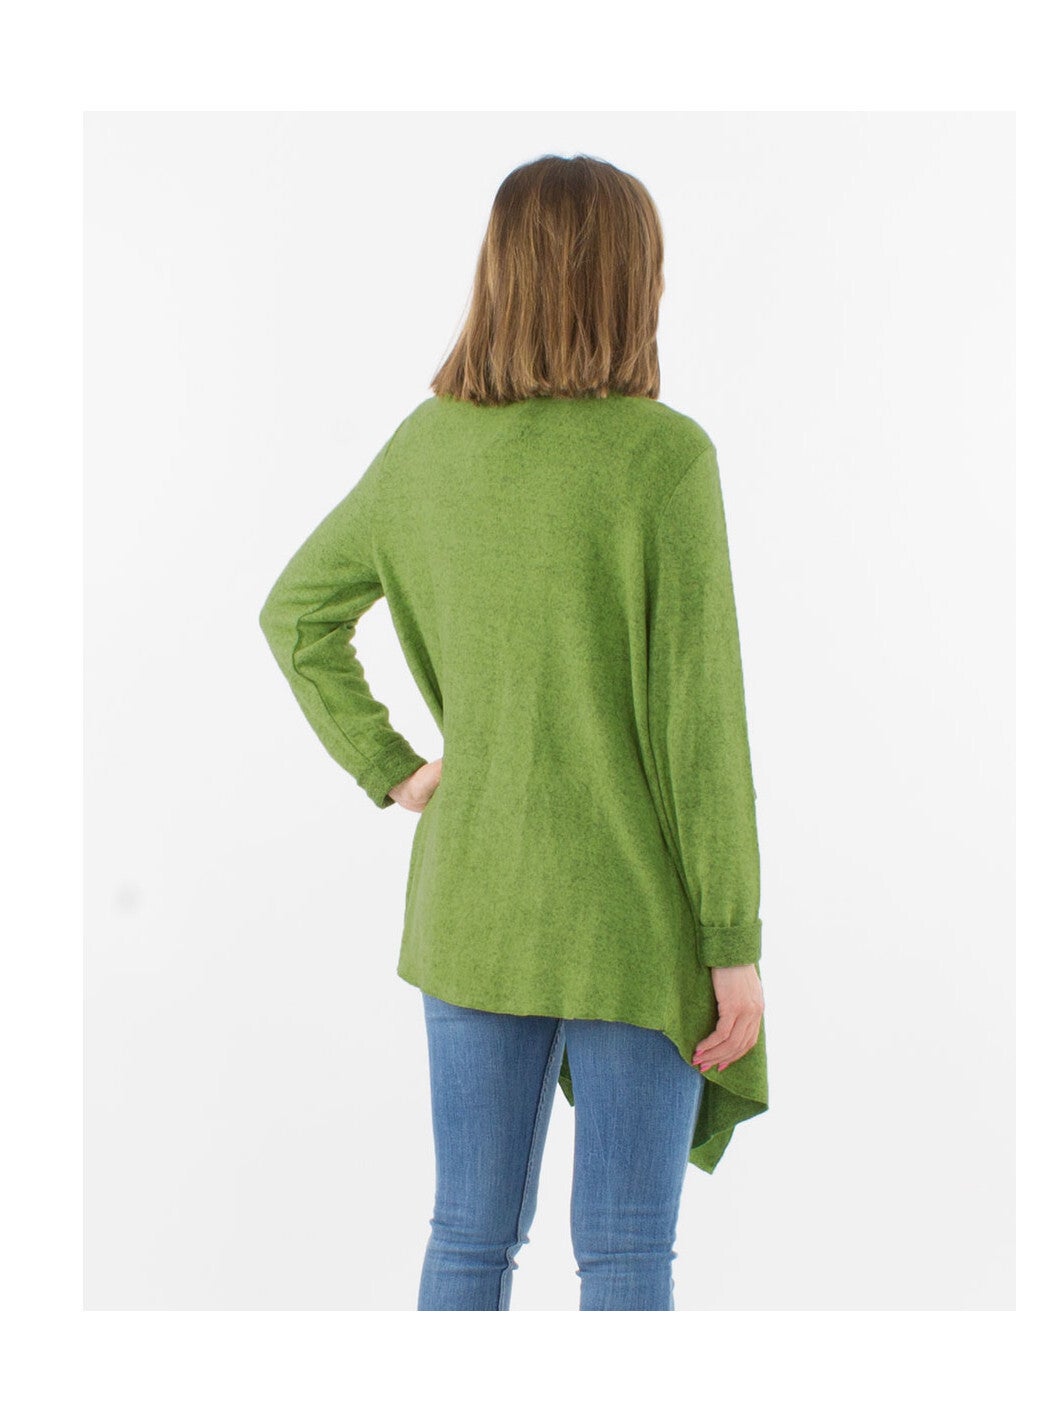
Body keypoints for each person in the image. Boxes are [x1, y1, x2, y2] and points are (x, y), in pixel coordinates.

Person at [258, 152, 768, 1311]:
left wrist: (397, 772)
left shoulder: (426, 446)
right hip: (631, 913)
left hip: (473, 902)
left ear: (500, 274)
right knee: (625, 1251)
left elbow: (296, 614)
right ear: (628, 278)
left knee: (468, 1233)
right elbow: (701, 727)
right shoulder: (661, 458)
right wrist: (730, 941)